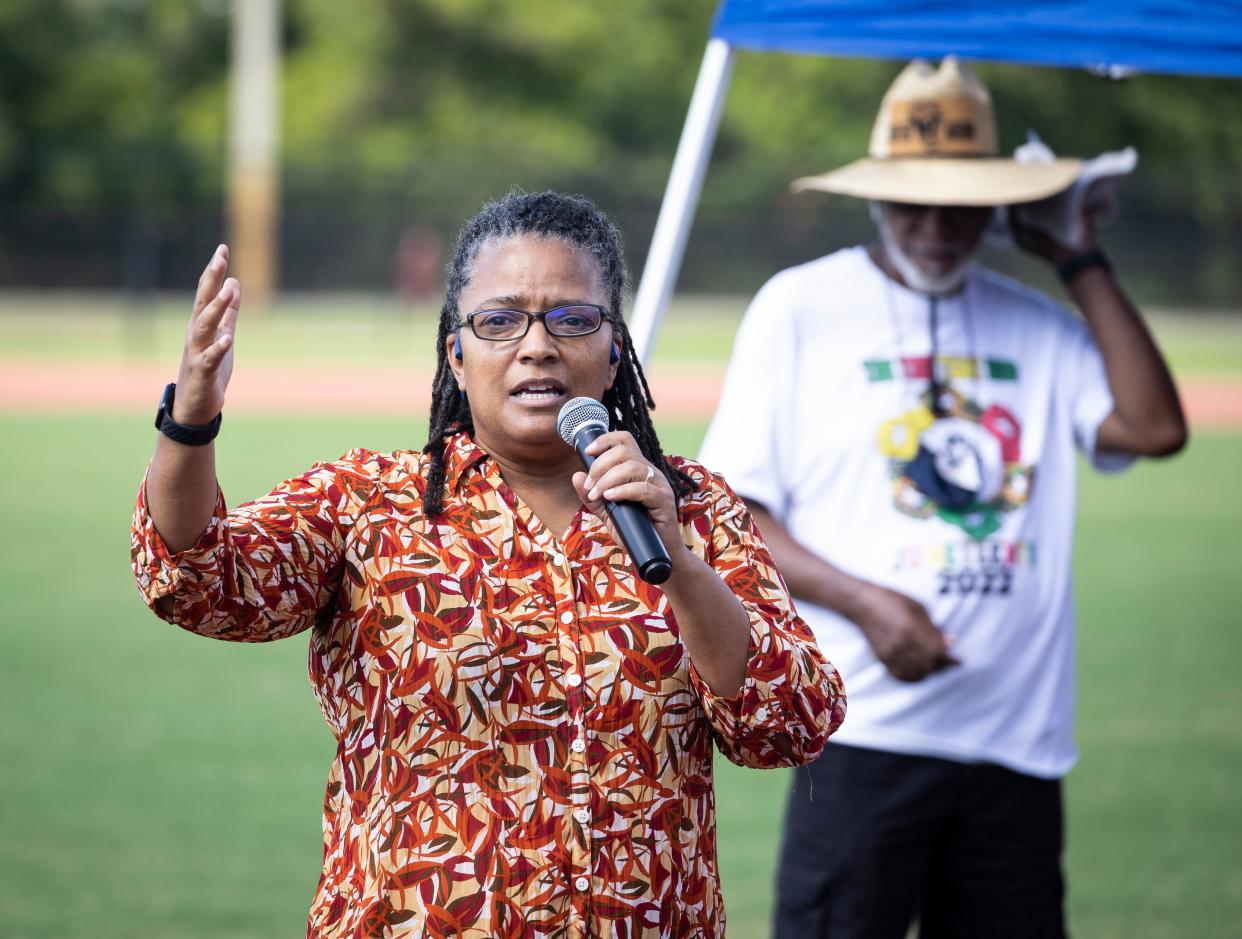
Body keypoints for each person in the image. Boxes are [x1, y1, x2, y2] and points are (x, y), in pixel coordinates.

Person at [131, 190, 846, 938]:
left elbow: (790, 724)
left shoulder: (694, 509)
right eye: (499, 321)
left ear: (614, 351)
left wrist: (683, 567)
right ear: (456, 353)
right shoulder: (370, 505)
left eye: (572, 318)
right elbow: (195, 578)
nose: (536, 345)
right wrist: (190, 419)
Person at [699, 58, 1187, 938]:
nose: (934, 227)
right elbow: (736, 516)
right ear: (876, 196)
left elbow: (1155, 427)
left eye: (959, 205)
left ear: (995, 208)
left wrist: (1077, 255)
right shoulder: (801, 307)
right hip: (861, 738)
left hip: (1015, 743)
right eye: (912, 202)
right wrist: (869, 603)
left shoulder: (1033, 322)